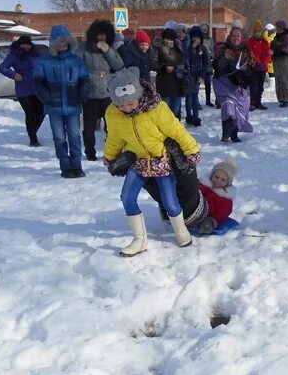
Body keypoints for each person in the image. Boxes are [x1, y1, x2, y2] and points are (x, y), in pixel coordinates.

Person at [103, 67, 201, 255]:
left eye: (131, 103)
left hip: (160, 161)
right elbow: (115, 137)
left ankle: (181, 231)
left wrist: (192, 150)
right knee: (127, 197)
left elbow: (176, 130)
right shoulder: (113, 113)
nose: (126, 108)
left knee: (170, 202)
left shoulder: (157, 109)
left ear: (139, 95)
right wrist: (110, 157)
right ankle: (140, 239)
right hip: (138, 162)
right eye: (121, 105)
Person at [33, 25, 90, 178]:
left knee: (74, 136)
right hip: (54, 107)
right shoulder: (44, 61)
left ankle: (77, 166)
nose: (62, 45)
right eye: (58, 43)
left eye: (64, 43)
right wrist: (46, 97)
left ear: (69, 43)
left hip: (73, 105)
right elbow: (37, 81)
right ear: (53, 43)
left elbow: (84, 79)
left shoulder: (76, 60)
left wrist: (82, 94)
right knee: (59, 137)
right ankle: (65, 166)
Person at [75, 19, 124, 161]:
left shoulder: (110, 48)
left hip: (107, 93)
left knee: (111, 126)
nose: (102, 38)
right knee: (89, 127)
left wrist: (107, 50)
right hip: (90, 93)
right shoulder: (84, 48)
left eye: (105, 35)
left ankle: (111, 152)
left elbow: (119, 65)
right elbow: (75, 64)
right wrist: (85, 79)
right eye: (99, 35)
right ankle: (90, 152)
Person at [0, 35, 45, 146]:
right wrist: (14, 74)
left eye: (28, 44)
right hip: (23, 90)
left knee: (41, 113)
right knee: (30, 114)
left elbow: (44, 66)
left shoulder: (36, 54)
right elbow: (2, 68)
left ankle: (33, 131)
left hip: (38, 89)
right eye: (23, 44)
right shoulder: (14, 55)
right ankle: (33, 138)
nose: (26, 46)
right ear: (19, 44)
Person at [213, 28, 255, 142]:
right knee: (228, 106)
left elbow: (252, 70)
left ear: (242, 38)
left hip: (240, 87)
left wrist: (246, 70)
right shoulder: (223, 49)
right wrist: (225, 59)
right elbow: (217, 67)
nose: (235, 38)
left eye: (238, 36)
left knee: (242, 109)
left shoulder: (247, 51)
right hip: (224, 84)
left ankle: (234, 133)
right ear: (230, 37)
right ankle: (226, 133)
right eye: (233, 36)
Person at [154, 28, 189, 119]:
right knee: (166, 109)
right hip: (164, 83)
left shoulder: (178, 49)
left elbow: (183, 63)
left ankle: (176, 130)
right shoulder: (158, 49)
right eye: (166, 38)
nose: (168, 41)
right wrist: (165, 67)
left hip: (177, 83)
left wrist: (176, 67)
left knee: (176, 109)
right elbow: (154, 64)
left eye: (170, 39)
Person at [197, 160, 237, 234]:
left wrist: (212, 221)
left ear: (228, 183)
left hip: (205, 216)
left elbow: (221, 214)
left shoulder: (225, 198)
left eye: (223, 180)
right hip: (192, 210)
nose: (218, 181)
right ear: (211, 176)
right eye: (216, 177)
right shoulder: (202, 184)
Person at [185, 25, 209, 126]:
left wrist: (202, 76)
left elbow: (206, 64)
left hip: (197, 76)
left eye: (198, 38)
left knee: (195, 96)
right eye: (194, 37)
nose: (196, 39)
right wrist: (192, 48)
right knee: (189, 97)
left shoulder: (203, 49)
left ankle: (196, 116)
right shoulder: (188, 48)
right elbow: (186, 59)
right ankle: (189, 116)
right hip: (188, 75)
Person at [246, 21, 272, 110]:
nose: (258, 34)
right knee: (253, 86)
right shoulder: (250, 41)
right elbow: (251, 53)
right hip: (253, 67)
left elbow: (268, 54)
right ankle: (252, 102)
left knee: (260, 86)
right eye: (256, 32)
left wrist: (264, 63)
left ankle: (258, 102)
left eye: (259, 32)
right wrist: (258, 62)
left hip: (262, 68)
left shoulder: (265, 42)